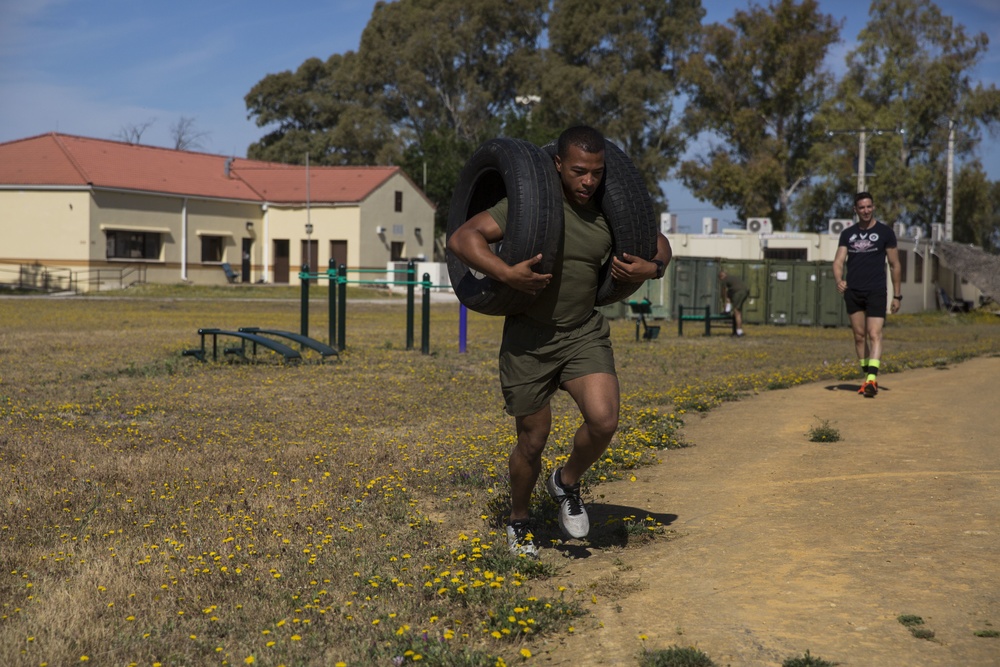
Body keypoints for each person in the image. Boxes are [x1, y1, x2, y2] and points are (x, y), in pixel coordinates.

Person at [447, 126, 673, 557]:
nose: (589, 181)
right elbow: (462, 238)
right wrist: (505, 273)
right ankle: (519, 520)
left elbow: (658, 242)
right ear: (557, 165)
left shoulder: (608, 211)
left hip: (582, 332)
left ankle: (565, 482)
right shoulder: (527, 207)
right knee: (533, 439)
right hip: (529, 340)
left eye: (596, 172)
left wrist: (654, 267)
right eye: (579, 171)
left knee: (604, 421)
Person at [832, 192, 901, 398]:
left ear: (873, 207)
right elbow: (838, 262)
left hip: (876, 290)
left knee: (874, 334)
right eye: (861, 207)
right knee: (859, 336)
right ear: (855, 209)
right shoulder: (848, 234)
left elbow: (895, 265)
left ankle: (871, 380)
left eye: (869, 207)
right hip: (853, 291)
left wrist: (897, 296)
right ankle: (868, 377)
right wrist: (839, 280)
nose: (865, 211)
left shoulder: (885, 232)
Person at [718, 269, 748, 337]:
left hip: (738, 293)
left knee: (737, 311)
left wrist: (723, 300)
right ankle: (727, 310)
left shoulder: (724, 280)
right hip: (744, 291)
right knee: (729, 295)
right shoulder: (731, 277)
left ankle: (739, 332)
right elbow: (728, 294)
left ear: (721, 277)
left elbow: (723, 292)